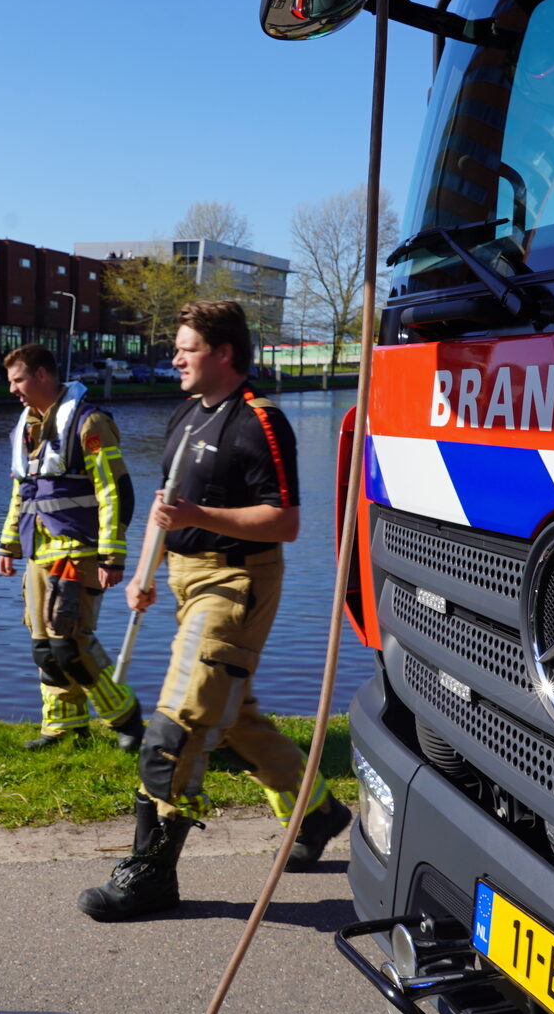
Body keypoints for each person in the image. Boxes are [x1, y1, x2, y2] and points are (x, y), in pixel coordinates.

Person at [76, 300, 351, 923]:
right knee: (231, 719)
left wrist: (197, 518)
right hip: (182, 579)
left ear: (224, 353)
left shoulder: (259, 421)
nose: (175, 358)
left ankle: (151, 875)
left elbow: (284, 521)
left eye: (187, 349)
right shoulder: (185, 413)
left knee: (178, 728)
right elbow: (166, 504)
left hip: (234, 584)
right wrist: (145, 569)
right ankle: (317, 812)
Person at [0, 344, 143, 753]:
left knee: (71, 644)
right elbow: (21, 493)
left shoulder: (89, 422)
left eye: (18, 380)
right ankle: (64, 727)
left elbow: (114, 491)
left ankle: (126, 719)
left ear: (43, 374)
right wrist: (8, 544)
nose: (12, 390)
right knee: (45, 647)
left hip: (78, 551)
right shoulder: (27, 427)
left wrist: (112, 555)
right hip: (38, 551)